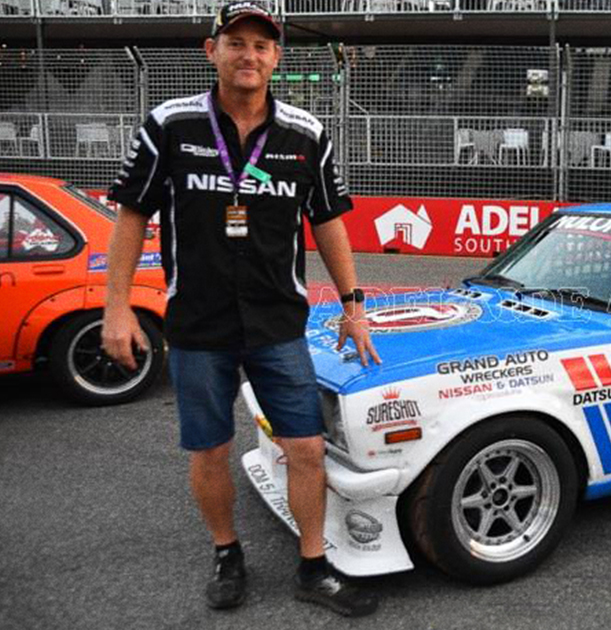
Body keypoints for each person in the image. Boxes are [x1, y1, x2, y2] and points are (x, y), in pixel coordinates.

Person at [101, 1, 383, 616]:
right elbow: (129, 217)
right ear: (212, 51)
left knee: (306, 448)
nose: (248, 54)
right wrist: (115, 309)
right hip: (198, 326)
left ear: (277, 58)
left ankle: (314, 565)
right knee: (210, 448)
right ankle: (227, 552)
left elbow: (330, 223)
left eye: (262, 45)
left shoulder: (306, 134)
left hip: (277, 323)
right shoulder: (169, 125)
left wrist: (354, 306)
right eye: (236, 42)